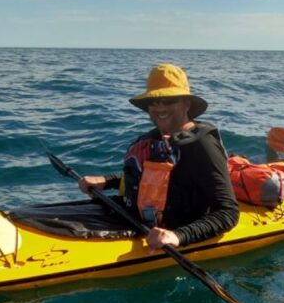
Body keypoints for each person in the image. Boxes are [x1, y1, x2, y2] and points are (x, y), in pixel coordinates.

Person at [78, 64, 239, 250]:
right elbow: (156, 180)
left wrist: (178, 236)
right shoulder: (154, 139)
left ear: (186, 104)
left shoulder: (202, 145)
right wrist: (107, 181)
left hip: (175, 231)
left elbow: (228, 212)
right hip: (133, 219)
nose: (160, 107)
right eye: (154, 102)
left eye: (169, 101)